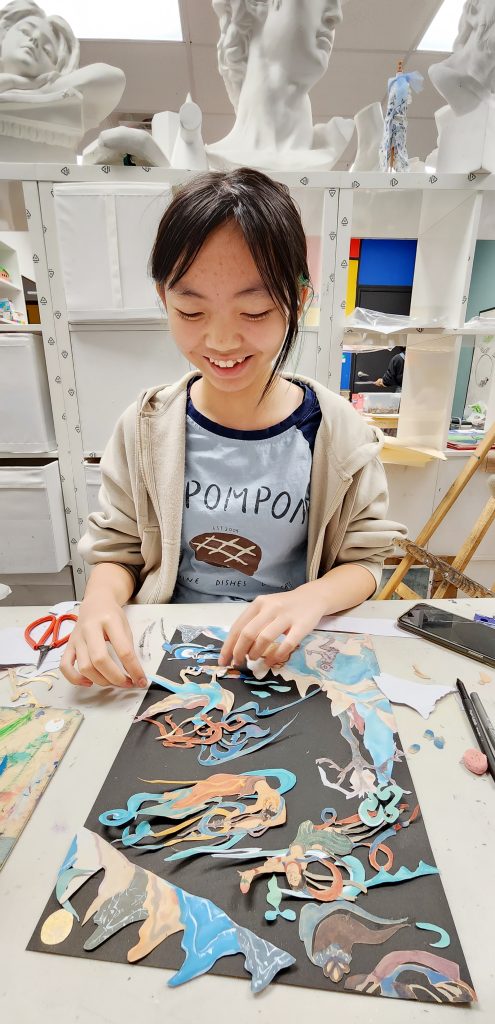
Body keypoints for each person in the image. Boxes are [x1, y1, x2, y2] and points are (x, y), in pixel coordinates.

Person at [61, 168, 406, 692]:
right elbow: (119, 551)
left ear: (299, 299)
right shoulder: (145, 428)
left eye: (255, 311)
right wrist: (98, 604)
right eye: (191, 311)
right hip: (166, 657)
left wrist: (311, 598)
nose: (221, 340)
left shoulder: (339, 434)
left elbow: (365, 561)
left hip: (287, 657)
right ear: (164, 298)